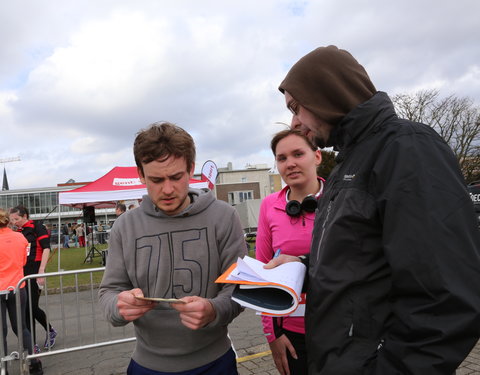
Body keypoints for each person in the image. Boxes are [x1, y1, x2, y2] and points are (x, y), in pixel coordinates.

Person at [266, 45, 480, 374]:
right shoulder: (350, 162)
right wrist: (304, 267)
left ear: (326, 93)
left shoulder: (407, 148)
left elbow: (447, 297)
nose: (294, 122)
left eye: (297, 107)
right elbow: (364, 259)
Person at [98, 122, 246, 374]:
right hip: (147, 365)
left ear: (190, 169)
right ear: (141, 174)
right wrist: (118, 307)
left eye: (176, 177)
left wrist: (213, 310)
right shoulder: (125, 226)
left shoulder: (224, 216)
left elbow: (238, 289)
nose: (167, 189)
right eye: (156, 179)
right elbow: (109, 292)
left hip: (214, 363)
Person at [256, 128, 324, 375]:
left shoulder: (340, 199)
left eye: (298, 154)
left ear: (317, 156)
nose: (290, 164)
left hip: (340, 328)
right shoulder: (268, 206)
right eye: (282, 158)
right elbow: (263, 275)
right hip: (292, 334)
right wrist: (273, 335)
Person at [9, 206, 57, 353]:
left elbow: (46, 248)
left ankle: (44, 336)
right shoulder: (16, 232)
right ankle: (33, 343)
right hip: (20, 274)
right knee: (26, 308)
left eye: (16, 219)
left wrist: (41, 271)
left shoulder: (38, 227)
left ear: (25, 216)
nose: (14, 222)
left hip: (35, 272)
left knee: (31, 307)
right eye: (11, 220)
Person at [0, 208, 43, 374]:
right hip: (18, 287)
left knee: (1, 330)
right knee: (21, 327)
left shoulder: (18, 236)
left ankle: (4, 367)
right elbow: (23, 260)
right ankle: (33, 362)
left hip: (3, 288)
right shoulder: (20, 237)